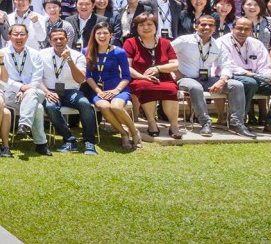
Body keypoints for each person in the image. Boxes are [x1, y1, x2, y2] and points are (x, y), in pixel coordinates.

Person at [219, 13, 271, 139]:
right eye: (239, 28)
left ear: (252, 31)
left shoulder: (256, 44)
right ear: (232, 28)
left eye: (247, 29)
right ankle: (239, 122)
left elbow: (264, 66)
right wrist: (258, 77)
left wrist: (270, 78)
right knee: (249, 82)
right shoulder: (222, 42)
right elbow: (229, 66)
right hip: (231, 77)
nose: (242, 32)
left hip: (256, 78)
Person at [35, 25, 98, 155]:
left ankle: (89, 142)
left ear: (67, 39)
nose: (59, 42)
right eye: (55, 39)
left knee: (85, 104)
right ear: (50, 41)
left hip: (71, 90)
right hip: (50, 90)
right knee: (51, 107)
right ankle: (69, 140)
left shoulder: (77, 56)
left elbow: (80, 79)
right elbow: (37, 78)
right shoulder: (41, 55)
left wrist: (69, 60)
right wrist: (47, 92)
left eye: (61, 39)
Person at [123, 11, 184, 139]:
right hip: (139, 79)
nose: (146, 27)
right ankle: (151, 122)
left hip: (164, 78)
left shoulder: (165, 43)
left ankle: (174, 125)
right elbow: (126, 67)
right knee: (146, 87)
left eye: (149, 24)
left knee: (171, 89)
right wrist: (142, 76)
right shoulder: (130, 42)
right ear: (136, 28)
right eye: (141, 25)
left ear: (156, 26)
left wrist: (158, 68)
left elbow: (175, 65)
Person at [83, 22, 142, 151]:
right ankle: (123, 133)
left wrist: (117, 90)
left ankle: (134, 132)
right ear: (94, 35)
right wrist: (98, 91)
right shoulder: (86, 51)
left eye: (105, 33)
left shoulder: (119, 52)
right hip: (98, 90)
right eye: (98, 33)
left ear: (111, 35)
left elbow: (126, 76)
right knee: (104, 106)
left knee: (116, 107)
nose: (102, 36)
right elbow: (88, 76)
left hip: (118, 88)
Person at [0, 23, 51, 156]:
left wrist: (24, 90)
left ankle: (24, 125)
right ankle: (40, 143)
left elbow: (37, 78)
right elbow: (1, 78)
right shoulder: (2, 54)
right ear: (9, 36)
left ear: (27, 36)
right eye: (15, 34)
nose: (19, 37)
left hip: (33, 91)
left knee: (32, 93)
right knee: (38, 108)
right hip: (11, 95)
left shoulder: (35, 54)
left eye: (22, 34)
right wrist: (19, 87)